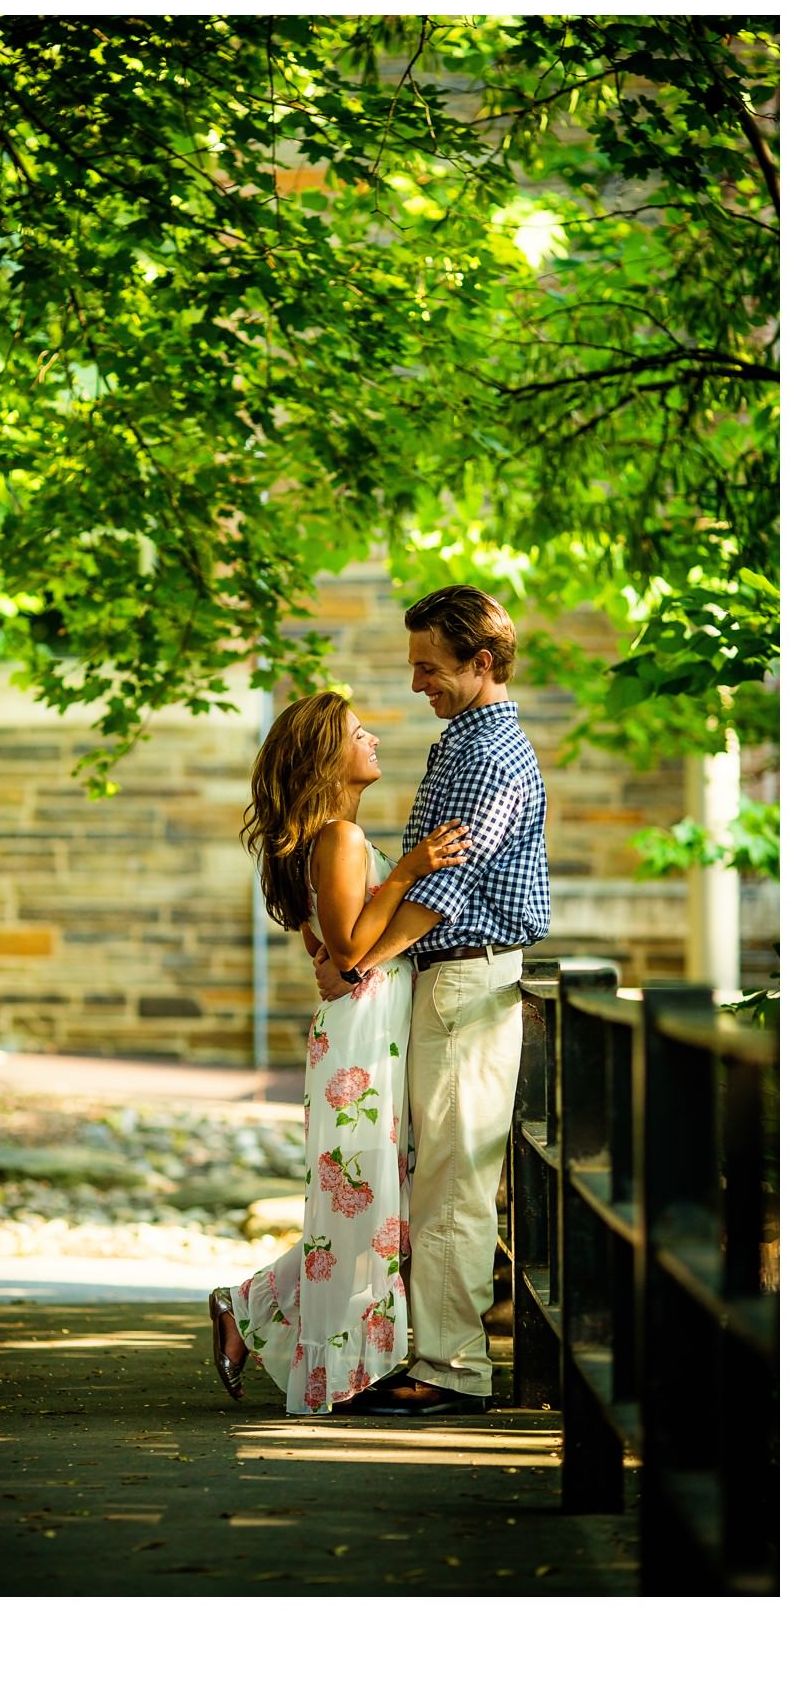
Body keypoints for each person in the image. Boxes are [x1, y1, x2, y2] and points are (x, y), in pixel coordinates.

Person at [313, 585, 550, 1416]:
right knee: (429, 1174)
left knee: (453, 1179)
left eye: (428, 666)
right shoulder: (460, 742)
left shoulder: (488, 754)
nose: (416, 682)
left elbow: (443, 886)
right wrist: (357, 958)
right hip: (442, 979)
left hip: (465, 977)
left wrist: (356, 962)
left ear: (479, 663)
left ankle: (451, 1371)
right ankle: (423, 1353)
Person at [208, 690, 471, 1416]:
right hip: (360, 1039)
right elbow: (352, 949)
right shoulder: (339, 838)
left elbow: (332, 944)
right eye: (360, 733)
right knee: (366, 1207)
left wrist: (350, 941)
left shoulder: (333, 838)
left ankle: (250, 1308)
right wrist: (410, 869)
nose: (375, 738)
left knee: (378, 1206)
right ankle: (347, 1373)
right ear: (329, 756)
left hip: (368, 1029)